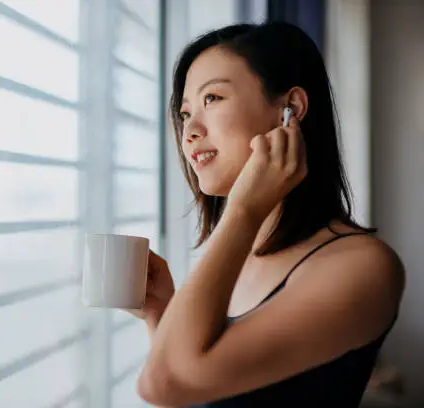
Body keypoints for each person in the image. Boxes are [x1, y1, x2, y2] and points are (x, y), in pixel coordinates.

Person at [131, 22, 405, 407]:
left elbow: (163, 383)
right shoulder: (243, 257)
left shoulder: (364, 267)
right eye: (185, 111)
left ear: (289, 110)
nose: (189, 129)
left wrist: (244, 209)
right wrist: (159, 313)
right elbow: (189, 393)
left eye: (212, 98)